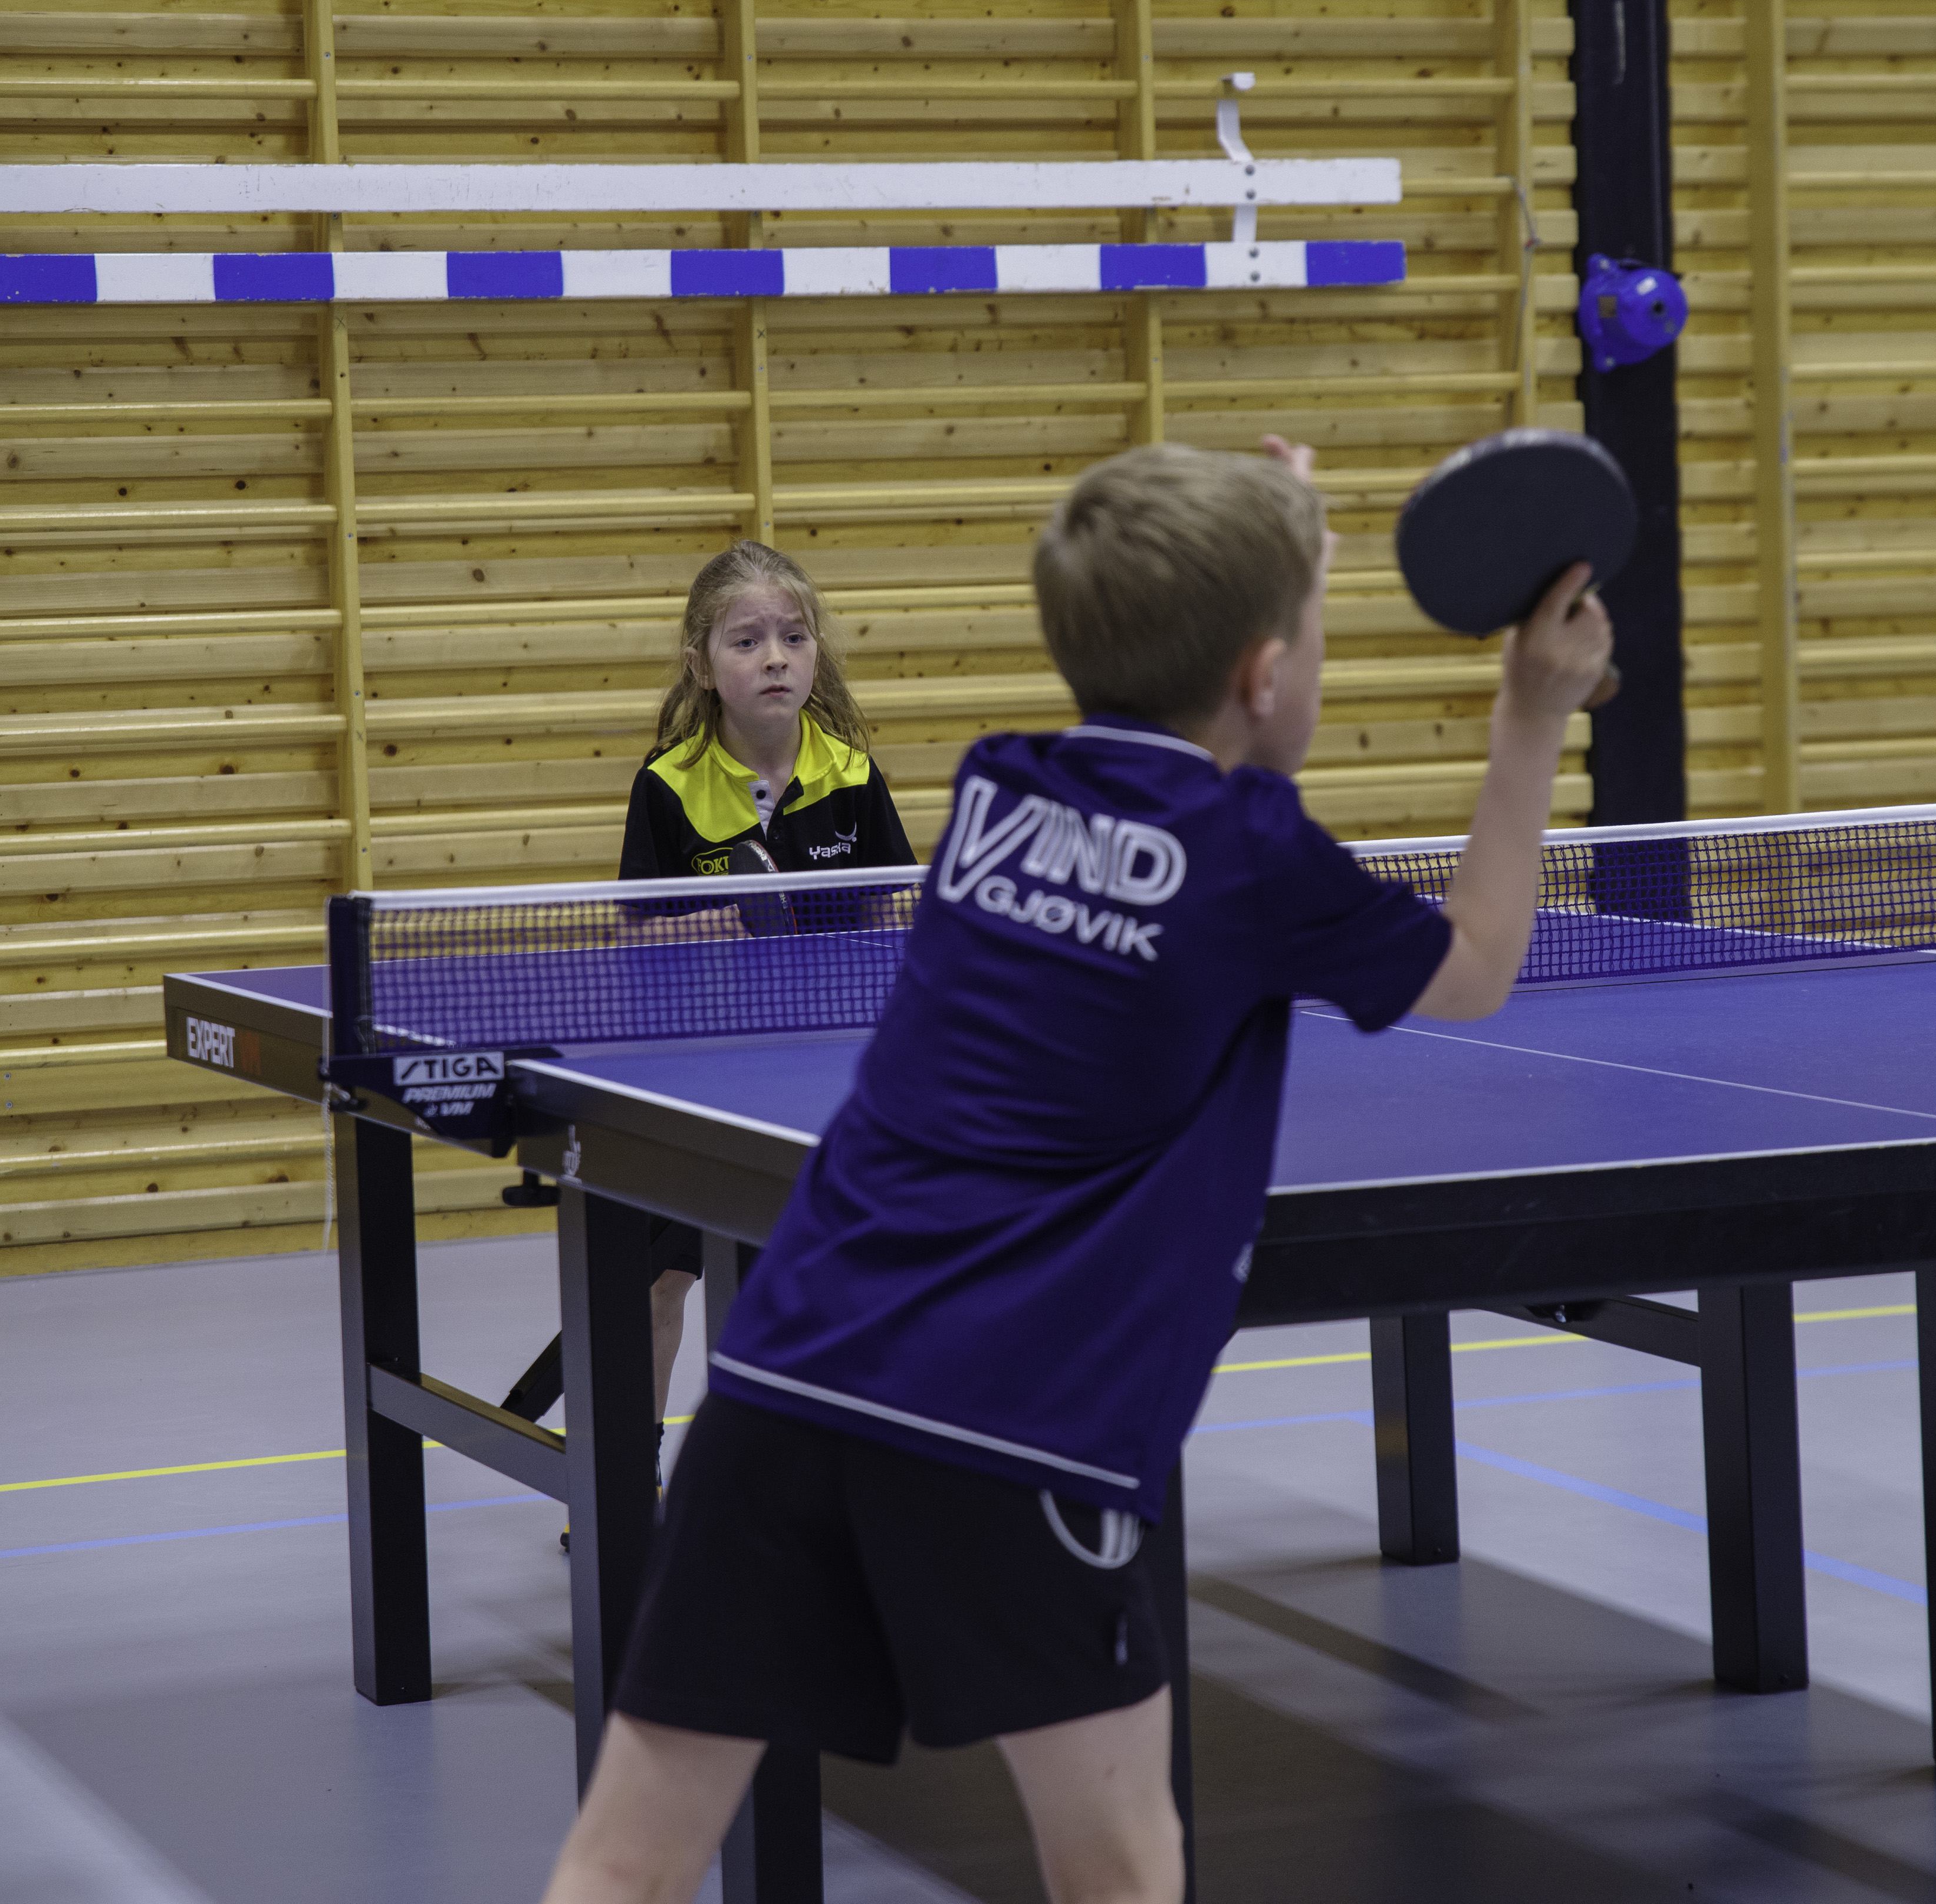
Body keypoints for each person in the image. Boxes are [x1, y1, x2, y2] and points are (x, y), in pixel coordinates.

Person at [534, 437, 1615, 1904]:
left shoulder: (999, 790)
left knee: (621, 1864)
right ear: (1262, 673)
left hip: (785, 1375)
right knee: (1119, 1873)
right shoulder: (1250, 853)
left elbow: (1188, 719)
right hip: (1013, 1427)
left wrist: (1281, 540)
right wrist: (1530, 713)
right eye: (1307, 636)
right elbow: (1475, 964)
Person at [498, 539, 916, 1469]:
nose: (775, 658)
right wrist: (710, 926)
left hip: (824, 1078)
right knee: (661, 1280)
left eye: (794, 637)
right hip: (702, 1075)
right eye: (747, 640)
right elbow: (633, 937)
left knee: (845, 1281)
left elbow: (894, 920)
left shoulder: (852, 777)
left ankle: (848, 1472)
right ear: (702, 664)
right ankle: (625, 1476)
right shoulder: (669, 785)